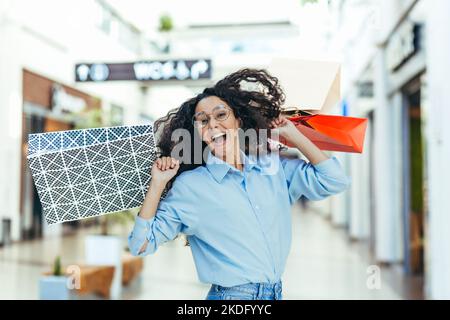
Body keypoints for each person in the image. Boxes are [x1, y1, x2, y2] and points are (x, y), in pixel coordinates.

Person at [128, 69, 350, 300]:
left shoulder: (271, 169)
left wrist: (295, 137)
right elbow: (140, 245)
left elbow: (334, 180)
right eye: (203, 121)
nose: (212, 124)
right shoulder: (191, 186)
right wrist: (157, 184)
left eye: (220, 115)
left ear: (238, 121)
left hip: (275, 293)